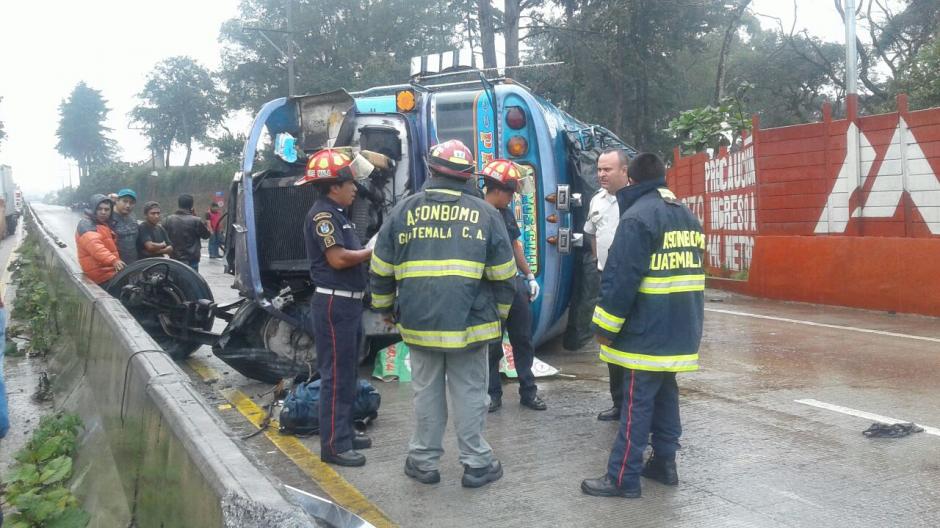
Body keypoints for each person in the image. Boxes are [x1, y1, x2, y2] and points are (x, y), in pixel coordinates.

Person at [370, 139, 516, 488]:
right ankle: (477, 464)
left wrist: (385, 309)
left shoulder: (403, 210)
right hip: (471, 326)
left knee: (426, 392)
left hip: (420, 325)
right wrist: (500, 317)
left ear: (431, 170)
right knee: (469, 393)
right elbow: (504, 277)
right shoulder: (487, 214)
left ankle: (423, 462)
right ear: (468, 176)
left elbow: (380, 268)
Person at [581, 153, 705, 498]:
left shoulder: (637, 218)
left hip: (646, 332)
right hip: (680, 327)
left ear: (632, 180)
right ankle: (664, 464)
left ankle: (623, 477)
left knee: (636, 404)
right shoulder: (685, 215)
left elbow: (620, 281)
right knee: (666, 394)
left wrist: (603, 328)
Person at [296, 148, 374, 467]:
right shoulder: (324, 216)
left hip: (348, 304)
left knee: (348, 372)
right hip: (334, 304)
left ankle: (344, 431)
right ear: (333, 186)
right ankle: (334, 445)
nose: (355, 188)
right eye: (349, 182)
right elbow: (338, 259)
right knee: (336, 375)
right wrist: (372, 251)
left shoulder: (339, 215)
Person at [479, 159, 547, 413]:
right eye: (511, 193)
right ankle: (493, 394)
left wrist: (529, 276)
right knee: (492, 344)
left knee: (523, 340)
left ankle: (528, 392)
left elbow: (516, 245)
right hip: (489, 289)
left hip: (514, 285)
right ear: (499, 189)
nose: (513, 198)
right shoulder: (477, 214)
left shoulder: (505, 213)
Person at [583, 149, 632, 421]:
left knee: (632, 341)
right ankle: (618, 402)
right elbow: (592, 234)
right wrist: (596, 261)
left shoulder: (635, 201)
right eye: (599, 169)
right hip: (605, 279)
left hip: (631, 282)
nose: (601, 174)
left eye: (607, 169)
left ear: (624, 171)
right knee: (609, 341)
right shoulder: (596, 201)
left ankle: (635, 404)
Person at [75, 194, 125, 285]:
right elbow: (95, 246)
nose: (103, 212)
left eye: (107, 209)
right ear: (93, 209)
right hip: (101, 276)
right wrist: (114, 260)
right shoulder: (87, 224)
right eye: (99, 209)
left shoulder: (103, 224)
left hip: (109, 271)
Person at [163, 194, 210, 271]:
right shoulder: (196, 220)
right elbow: (206, 235)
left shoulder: (168, 220)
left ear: (179, 204)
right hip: (192, 260)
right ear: (191, 205)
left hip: (174, 259)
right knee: (192, 281)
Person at [111, 188, 140, 265]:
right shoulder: (108, 217)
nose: (128, 205)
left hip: (133, 263)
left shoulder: (133, 216)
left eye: (131, 202)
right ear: (117, 201)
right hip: (115, 265)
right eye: (125, 201)